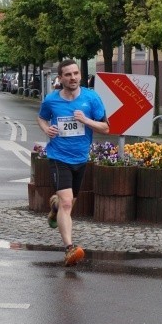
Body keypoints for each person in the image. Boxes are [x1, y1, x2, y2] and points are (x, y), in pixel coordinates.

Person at [37, 59, 109, 266]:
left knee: (68, 203)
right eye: (68, 75)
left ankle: (54, 206)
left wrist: (86, 120)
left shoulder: (91, 98)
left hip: (81, 158)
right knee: (68, 203)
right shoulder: (51, 100)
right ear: (60, 78)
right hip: (58, 157)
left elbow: (106, 127)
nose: (73, 78)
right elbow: (41, 118)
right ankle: (69, 248)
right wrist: (45, 129)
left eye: (76, 73)